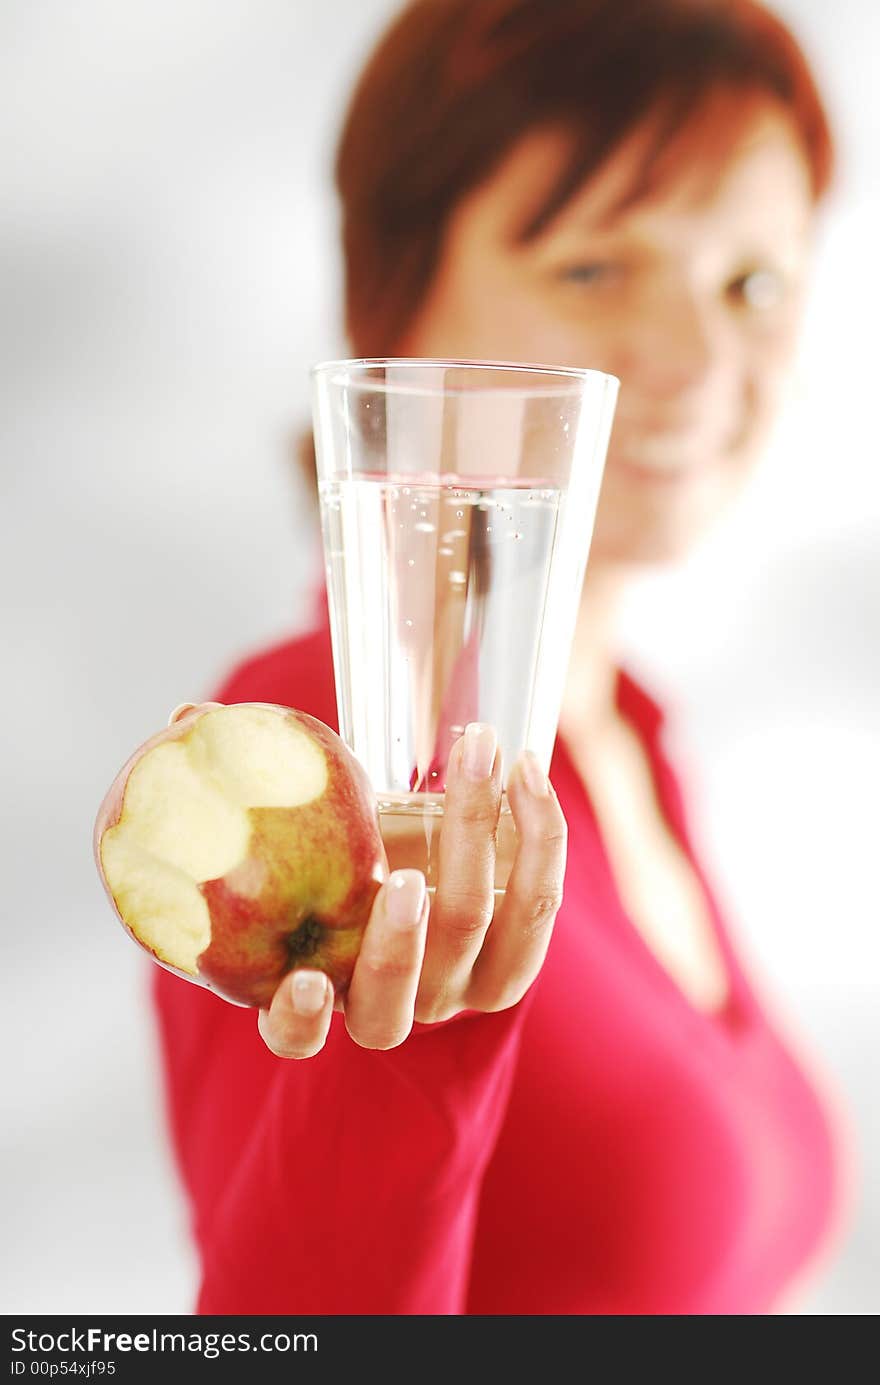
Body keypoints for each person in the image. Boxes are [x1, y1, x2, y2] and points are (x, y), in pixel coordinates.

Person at [151, 0, 852, 1314]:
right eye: (597, 268)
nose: (698, 358)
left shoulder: (627, 739)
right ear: (395, 294)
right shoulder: (322, 759)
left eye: (750, 284)